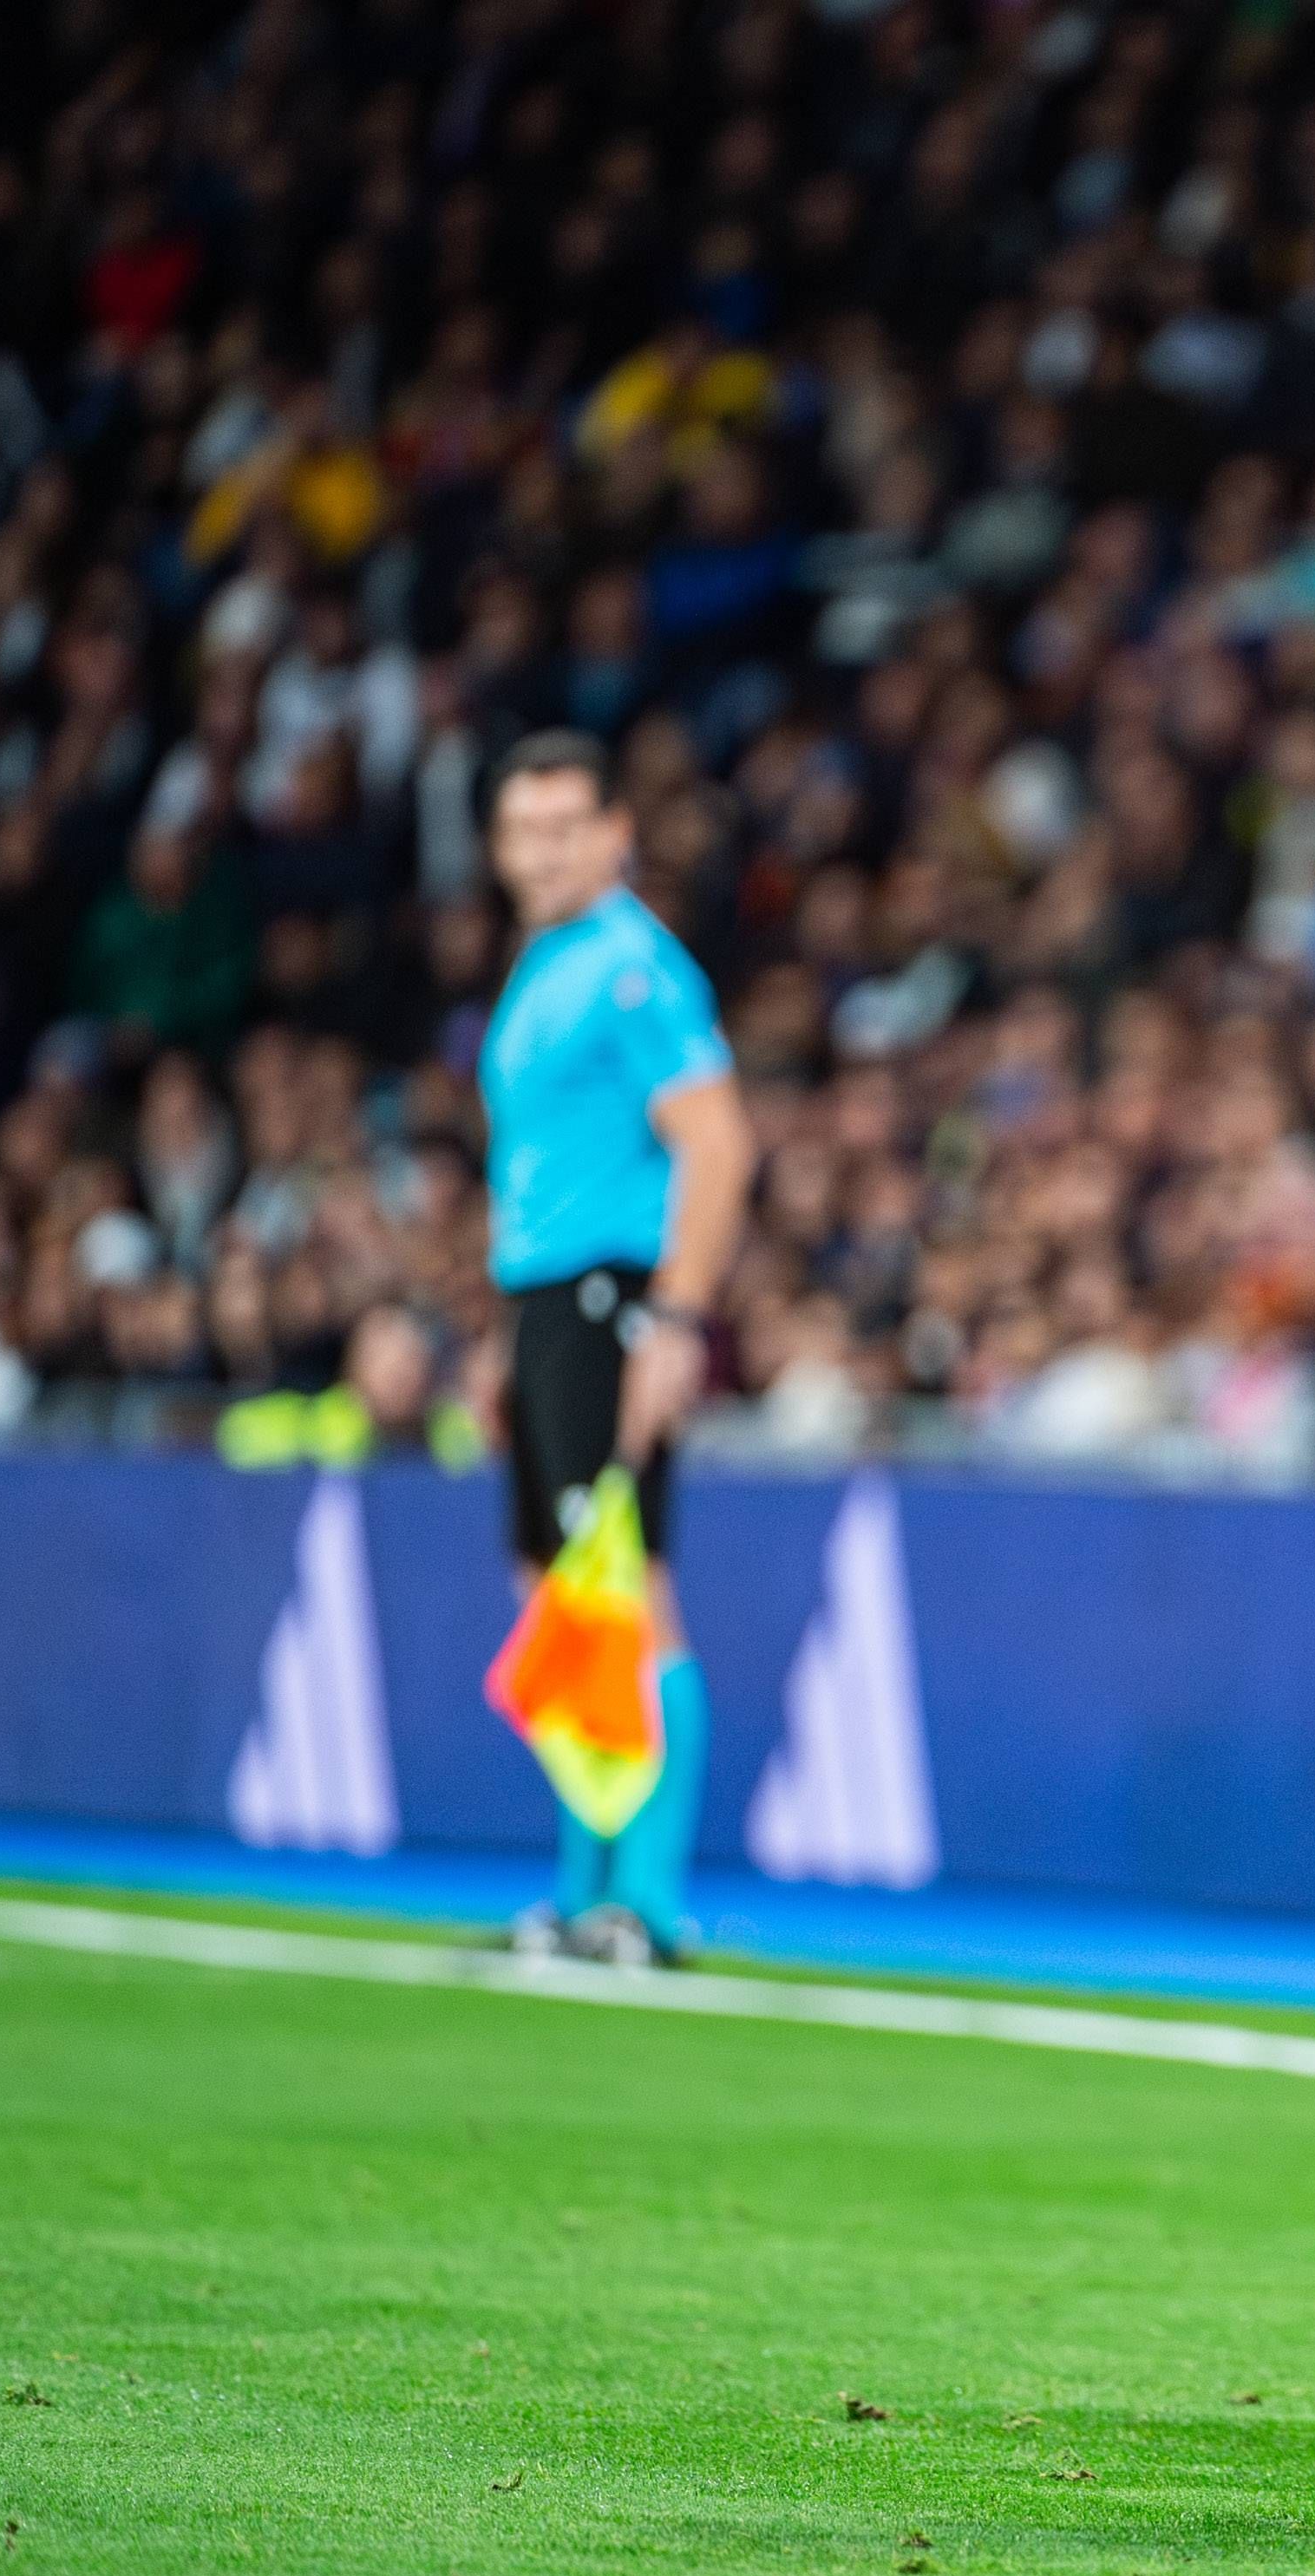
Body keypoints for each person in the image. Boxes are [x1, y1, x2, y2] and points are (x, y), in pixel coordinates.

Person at [471, 733, 756, 1965]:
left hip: (610, 1299)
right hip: (546, 1303)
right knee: (561, 1599)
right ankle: (582, 1888)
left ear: (613, 832)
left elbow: (719, 1140)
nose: (541, 850)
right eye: (520, 828)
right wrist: (506, 1336)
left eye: (563, 826)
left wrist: (678, 1318)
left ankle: (644, 1901)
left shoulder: (634, 968)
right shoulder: (548, 965)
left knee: (629, 1597)